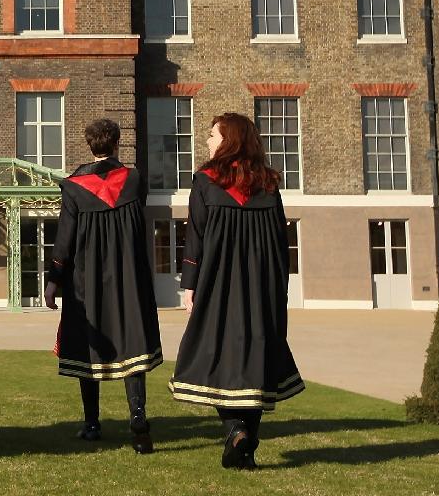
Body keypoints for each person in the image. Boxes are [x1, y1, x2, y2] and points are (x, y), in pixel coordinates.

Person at [169, 111, 305, 470]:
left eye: (213, 136)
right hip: (263, 285)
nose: (209, 142)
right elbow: (280, 241)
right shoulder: (269, 183)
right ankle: (246, 446)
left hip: (218, 283)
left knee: (214, 353)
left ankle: (235, 430)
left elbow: (194, 238)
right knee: (256, 357)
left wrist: (190, 285)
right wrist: (280, 287)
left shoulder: (205, 180)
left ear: (229, 139)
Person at [45, 117, 162, 452]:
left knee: (87, 345)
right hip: (129, 277)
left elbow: (64, 240)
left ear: (89, 144)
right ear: (117, 142)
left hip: (86, 280)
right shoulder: (135, 178)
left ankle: (92, 424)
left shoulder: (72, 186)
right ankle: (137, 417)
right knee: (132, 344)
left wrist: (54, 281)